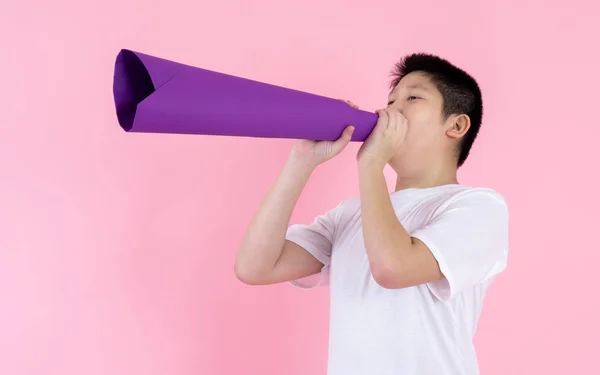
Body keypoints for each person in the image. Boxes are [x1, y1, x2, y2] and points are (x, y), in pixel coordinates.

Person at [234, 52, 509, 375]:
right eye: (390, 101)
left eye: (413, 97)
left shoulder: (478, 207)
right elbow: (255, 267)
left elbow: (393, 268)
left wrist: (371, 164)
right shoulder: (350, 214)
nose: (390, 110)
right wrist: (301, 159)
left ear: (457, 125)